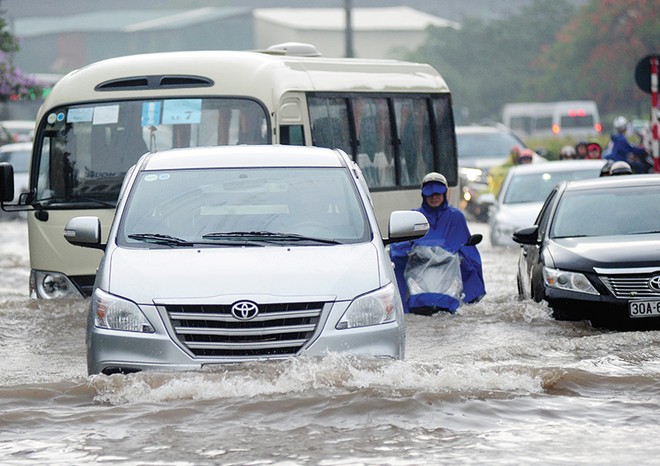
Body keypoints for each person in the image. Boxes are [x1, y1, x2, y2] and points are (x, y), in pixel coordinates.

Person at [390, 172, 486, 315]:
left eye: (438, 193)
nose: (434, 197)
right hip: (418, 277)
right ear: (423, 195)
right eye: (430, 194)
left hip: (448, 276)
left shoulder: (456, 217)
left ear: (445, 194)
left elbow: (468, 250)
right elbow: (399, 248)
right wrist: (403, 250)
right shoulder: (414, 217)